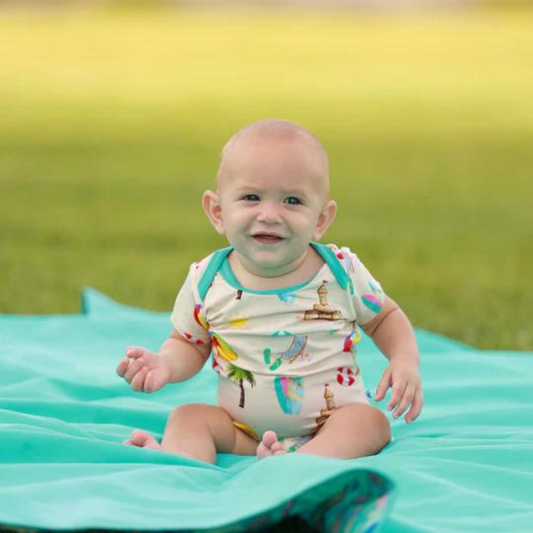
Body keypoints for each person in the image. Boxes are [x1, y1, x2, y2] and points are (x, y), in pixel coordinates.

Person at [116, 119, 423, 464]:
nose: (270, 215)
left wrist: (404, 360)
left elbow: (384, 318)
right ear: (218, 212)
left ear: (320, 220)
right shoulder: (207, 279)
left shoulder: (340, 271)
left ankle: (298, 462)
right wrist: (165, 365)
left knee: (370, 423)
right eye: (251, 197)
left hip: (329, 426)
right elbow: (189, 342)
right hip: (240, 431)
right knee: (187, 417)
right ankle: (183, 465)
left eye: (292, 201)